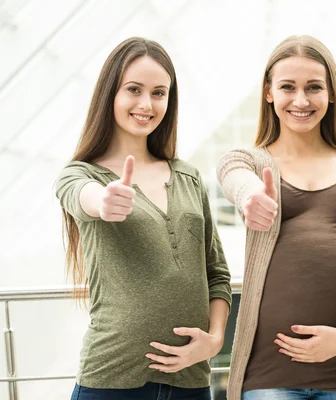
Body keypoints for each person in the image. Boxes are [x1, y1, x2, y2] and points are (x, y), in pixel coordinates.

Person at [217, 35, 336, 400]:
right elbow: (232, 172)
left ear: (332, 94)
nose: (301, 100)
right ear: (268, 92)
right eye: (288, 87)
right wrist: (252, 196)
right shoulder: (251, 161)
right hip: (268, 375)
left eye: (313, 87)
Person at [55, 37, 232, 400]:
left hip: (191, 383)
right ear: (110, 95)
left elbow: (217, 275)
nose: (146, 104)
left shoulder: (189, 177)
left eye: (159, 93)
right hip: (111, 381)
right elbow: (80, 197)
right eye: (133, 89)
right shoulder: (81, 175)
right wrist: (103, 201)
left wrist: (214, 341)